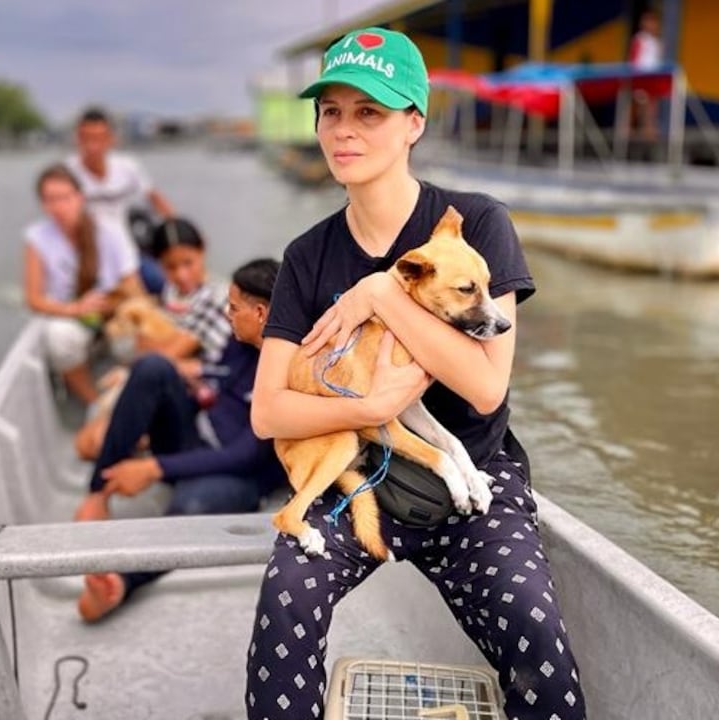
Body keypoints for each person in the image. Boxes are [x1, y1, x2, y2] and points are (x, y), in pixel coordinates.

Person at [243, 27, 585, 719]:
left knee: (535, 634)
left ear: (414, 124)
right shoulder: (307, 258)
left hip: (472, 480)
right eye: (331, 111)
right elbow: (268, 412)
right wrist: (369, 410)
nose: (344, 131)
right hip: (359, 475)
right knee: (285, 603)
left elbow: (486, 387)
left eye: (369, 112)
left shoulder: (476, 227)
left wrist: (380, 295)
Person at [75, 258, 288, 622]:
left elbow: (245, 455)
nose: (226, 313)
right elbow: (220, 383)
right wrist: (175, 389)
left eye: (234, 307)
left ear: (261, 312)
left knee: (192, 506)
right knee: (154, 368)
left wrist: (153, 467)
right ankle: (99, 492)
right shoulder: (240, 341)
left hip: (238, 474)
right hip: (196, 436)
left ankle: (120, 582)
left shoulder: (288, 367)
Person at [72, 217, 233, 460]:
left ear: (203, 251)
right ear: (159, 265)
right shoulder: (171, 294)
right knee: (86, 443)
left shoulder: (217, 298)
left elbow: (166, 353)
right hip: (170, 378)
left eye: (189, 263)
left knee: (93, 443)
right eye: (171, 267)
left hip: (203, 393)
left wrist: (144, 350)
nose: (182, 274)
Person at [23, 164, 143, 404]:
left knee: (132, 337)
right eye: (50, 200)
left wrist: (108, 305)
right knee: (58, 336)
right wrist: (75, 309)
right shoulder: (37, 238)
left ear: (79, 197)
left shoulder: (109, 230)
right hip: (73, 315)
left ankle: (128, 394)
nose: (58, 206)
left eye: (65, 198)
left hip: (112, 310)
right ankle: (94, 402)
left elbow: (133, 285)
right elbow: (34, 299)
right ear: (42, 204)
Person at [67, 107, 174, 295]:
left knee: (157, 281)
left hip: (123, 243)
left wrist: (177, 231)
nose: (93, 146)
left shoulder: (127, 167)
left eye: (99, 138)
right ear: (77, 139)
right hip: (85, 248)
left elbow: (155, 198)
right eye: (87, 138)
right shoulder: (67, 171)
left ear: (111, 139)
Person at [628, 9, 664, 142]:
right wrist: (632, 75)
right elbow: (633, 57)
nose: (650, 25)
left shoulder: (658, 42)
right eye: (647, 21)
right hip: (640, 76)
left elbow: (658, 60)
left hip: (653, 77)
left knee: (652, 104)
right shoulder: (639, 39)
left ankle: (649, 129)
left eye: (653, 22)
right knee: (636, 103)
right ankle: (628, 129)